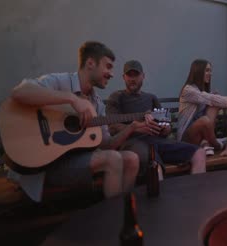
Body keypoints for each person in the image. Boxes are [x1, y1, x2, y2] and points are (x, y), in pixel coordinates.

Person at [8, 41, 143, 201]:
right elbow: (19, 92)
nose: (111, 73)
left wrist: (132, 127)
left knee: (132, 159)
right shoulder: (60, 81)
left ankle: (125, 213)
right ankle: (112, 219)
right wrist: (72, 99)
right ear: (91, 63)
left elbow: (107, 144)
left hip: (76, 160)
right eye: (108, 66)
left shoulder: (97, 103)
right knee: (112, 159)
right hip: (45, 165)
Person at [106, 60, 206, 176]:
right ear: (123, 77)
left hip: (157, 141)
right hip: (132, 143)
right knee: (154, 166)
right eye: (129, 75)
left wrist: (164, 128)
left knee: (199, 153)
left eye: (136, 75)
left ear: (143, 76)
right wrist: (137, 128)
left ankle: (197, 192)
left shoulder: (151, 98)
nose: (132, 79)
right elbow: (112, 126)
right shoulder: (117, 97)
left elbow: (166, 127)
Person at [177, 59, 227, 155]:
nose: (210, 74)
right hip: (186, 138)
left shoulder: (200, 91)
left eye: (210, 71)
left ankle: (206, 143)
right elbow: (210, 99)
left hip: (199, 135)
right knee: (205, 119)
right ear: (198, 72)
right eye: (207, 70)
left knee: (214, 106)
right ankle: (217, 144)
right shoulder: (188, 90)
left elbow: (212, 99)